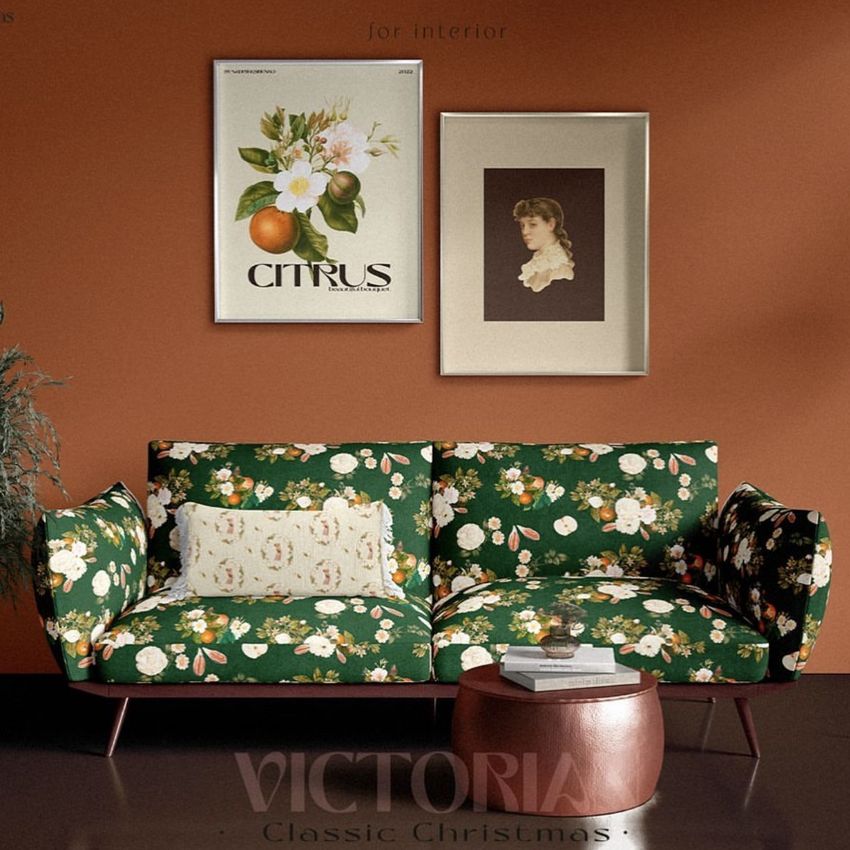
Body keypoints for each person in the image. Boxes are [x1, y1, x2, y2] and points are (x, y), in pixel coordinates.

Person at [513, 197, 575, 293]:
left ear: (551, 224)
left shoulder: (559, 267)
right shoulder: (536, 263)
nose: (525, 232)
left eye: (532, 224)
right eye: (522, 225)